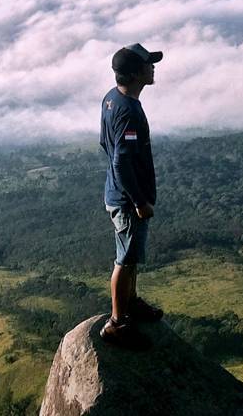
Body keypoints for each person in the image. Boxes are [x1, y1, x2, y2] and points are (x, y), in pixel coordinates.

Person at [98, 42, 165, 349]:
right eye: (148, 64)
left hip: (119, 193)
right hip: (128, 201)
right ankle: (117, 323)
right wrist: (139, 200)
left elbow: (105, 143)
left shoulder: (111, 100)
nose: (153, 67)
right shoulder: (128, 112)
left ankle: (131, 303)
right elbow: (121, 160)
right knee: (124, 259)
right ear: (136, 73)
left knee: (132, 254)